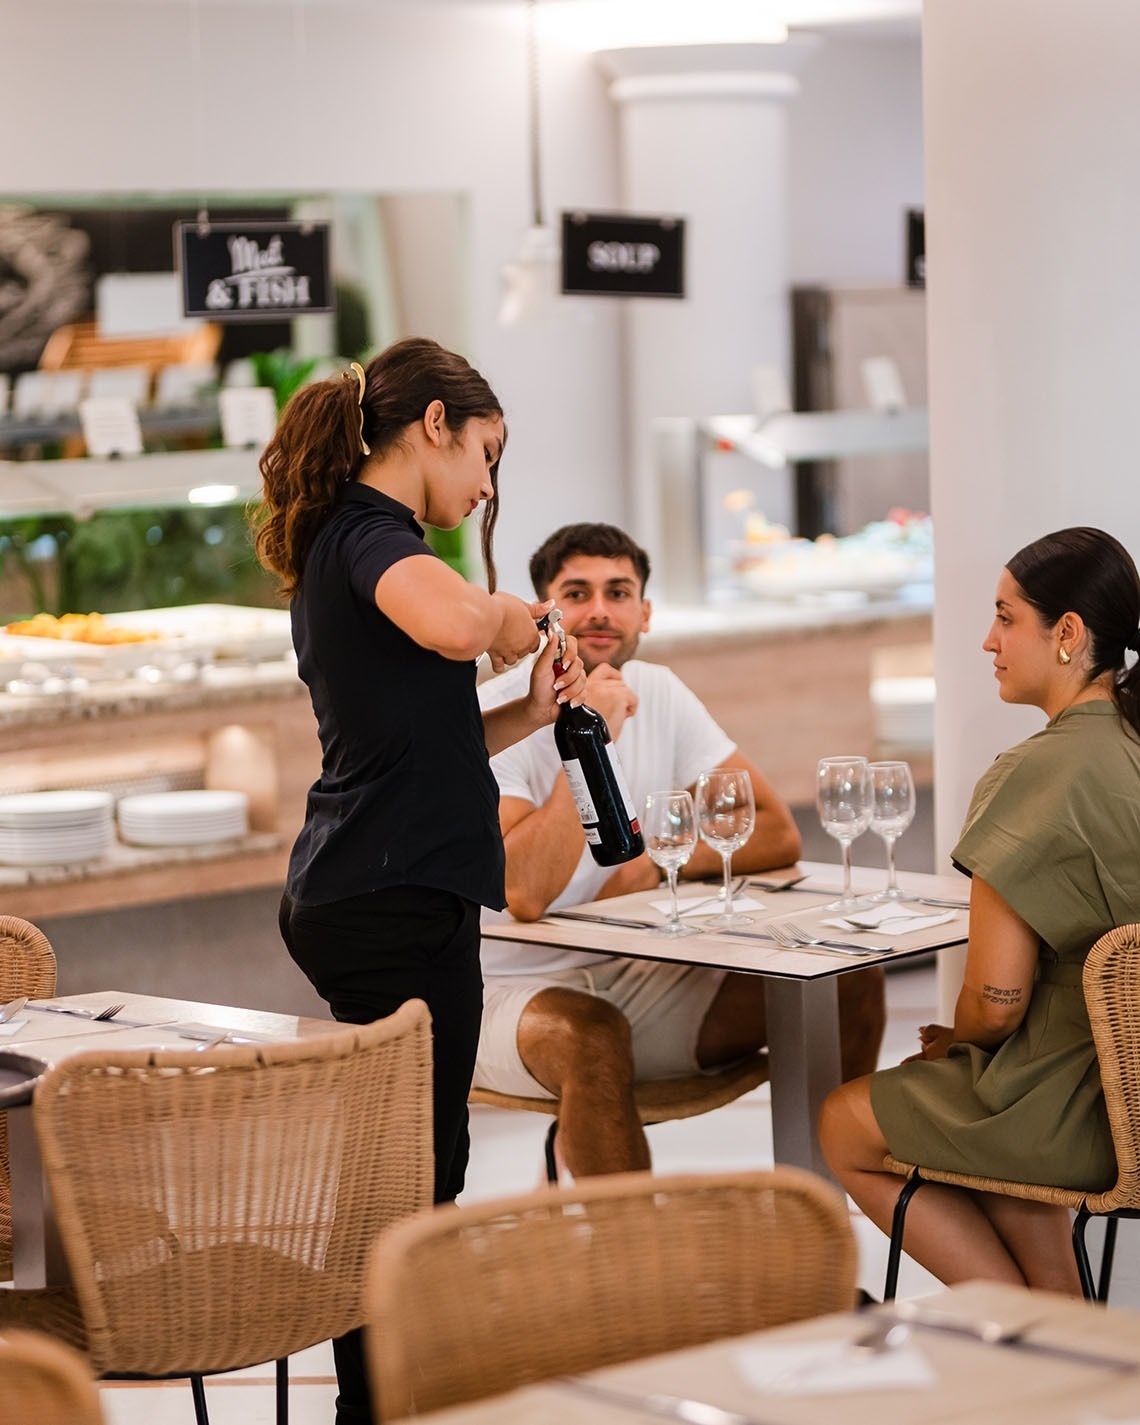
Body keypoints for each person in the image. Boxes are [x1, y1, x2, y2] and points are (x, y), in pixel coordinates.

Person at [249, 338, 586, 1424]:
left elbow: (421, 742)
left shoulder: (363, 542)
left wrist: (525, 710)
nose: (487, 486)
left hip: (372, 882)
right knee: (410, 1186)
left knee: (403, 1176)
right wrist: (524, 619)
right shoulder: (369, 533)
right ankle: (383, 1408)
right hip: (390, 899)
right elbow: (453, 620)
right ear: (433, 424)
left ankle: (385, 1400)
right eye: (485, 454)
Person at [474, 522, 888, 1178]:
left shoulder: (659, 690)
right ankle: (640, 1273)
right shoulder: (499, 711)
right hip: (507, 989)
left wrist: (650, 861)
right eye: (576, 593)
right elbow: (524, 890)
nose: (600, 610)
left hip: (638, 974)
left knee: (847, 986)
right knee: (589, 1035)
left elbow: (774, 830)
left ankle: (821, 1220)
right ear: (543, 613)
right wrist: (592, 738)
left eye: (619, 591)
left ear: (645, 611)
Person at [819, 526, 1140, 1293]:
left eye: (1004, 616)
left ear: (1067, 634)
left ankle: (1023, 1335)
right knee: (981, 1103)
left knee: (843, 1119)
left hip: (1077, 1104)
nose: (986, 639)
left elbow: (997, 1003)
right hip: (1119, 1086)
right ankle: (1058, 1329)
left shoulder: (1034, 773)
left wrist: (954, 1038)